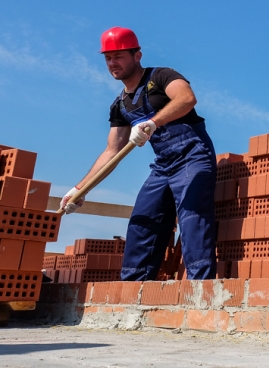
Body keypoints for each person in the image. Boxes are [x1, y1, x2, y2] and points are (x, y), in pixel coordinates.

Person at [61, 27, 218, 281]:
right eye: (108, 58)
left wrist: (153, 122)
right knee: (142, 223)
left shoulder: (162, 76)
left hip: (192, 157)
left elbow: (186, 98)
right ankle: (134, 292)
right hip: (163, 166)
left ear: (137, 55)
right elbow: (112, 151)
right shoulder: (120, 105)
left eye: (119, 56)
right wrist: (80, 189)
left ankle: (200, 291)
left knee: (191, 218)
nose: (113, 63)